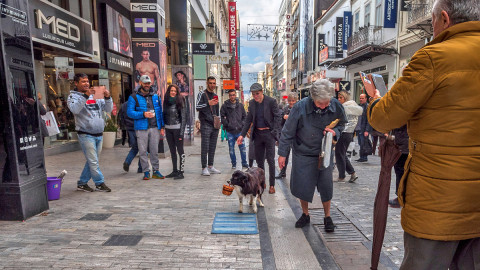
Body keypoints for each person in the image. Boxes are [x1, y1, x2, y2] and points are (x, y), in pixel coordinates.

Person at [366, 1, 480, 268]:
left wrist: (374, 101)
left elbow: (385, 118)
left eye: (432, 22)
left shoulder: (433, 57)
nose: (432, 28)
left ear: (444, 18)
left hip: (437, 199)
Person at [278, 79, 347, 231]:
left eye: (326, 103)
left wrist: (336, 132)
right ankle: (305, 214)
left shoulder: (336, 105)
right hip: (303, 152)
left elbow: (343, 123)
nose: (324, 106)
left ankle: (327, 217)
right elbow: (287, 132)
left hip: (325, 152)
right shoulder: (299, 107)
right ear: (312, 99)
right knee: (304, 186)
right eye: (320, 103)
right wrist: (282, 154)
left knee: (326, 186)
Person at [67, 73, 112, 192]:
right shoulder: (73, 97)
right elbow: (75, 110)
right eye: (83, 81)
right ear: (76, 83)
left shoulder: (95, 95)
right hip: (85, 134)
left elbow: (108, 109)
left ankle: (82, 182)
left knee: (92, 160)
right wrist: (85, 96)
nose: (86, 83)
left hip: (99, 133)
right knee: (93, 161)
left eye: (87, 81)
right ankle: (99, 183)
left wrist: (107, 98)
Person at [237, 83, 281, 194]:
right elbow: (248, 120)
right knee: (260, 161)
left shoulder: (271, 101)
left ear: (262, 92)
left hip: (269, 134)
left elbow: (277, 116)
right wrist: (242, 135)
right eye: (253, 94)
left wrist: (274, 132)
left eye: (257, 94)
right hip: (257, 135)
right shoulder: (252, 104)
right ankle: (263, 182)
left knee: (271, 160)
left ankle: (272, 185)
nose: (255, 96)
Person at [127, 75, 165, 180]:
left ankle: (156, 171)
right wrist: (143, 114)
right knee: (143, 151)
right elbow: (129, 113)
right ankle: (146, 171)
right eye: (145, 83)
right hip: (141, 128)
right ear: (140, 83)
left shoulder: (156, 96)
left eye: (148, 83)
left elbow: (160, 112)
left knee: (154, 150)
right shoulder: (134, 97)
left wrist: (162, 126)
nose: (147, 85)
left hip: (154, 127)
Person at [195, 76, 221, 176]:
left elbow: (216, 109)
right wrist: (207, 103)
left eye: (214, 83)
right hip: (205, 123)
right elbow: (197, 107)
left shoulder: (215, 95)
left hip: (214, 124)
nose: (212, 85)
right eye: (210, 83)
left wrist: (219, 121)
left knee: (212, 146)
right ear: (207, 83)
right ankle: (204, 167)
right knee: (205, 147)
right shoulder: (202, 94)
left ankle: (210, 166)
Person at [335, 91, 363, 182]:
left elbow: (340, 121)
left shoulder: (345, 107)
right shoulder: (353, 106)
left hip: (344, 132)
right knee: (342, 154)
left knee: (340, 154)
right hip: (349, 133)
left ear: (345, 98)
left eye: (341, 98)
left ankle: (342, 175)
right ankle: (352, 173)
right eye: (338, 97)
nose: (339, 99)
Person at [163, 84, 186, 180]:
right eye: (171, 90)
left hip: (177, 129)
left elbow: (184, 117)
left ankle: (181, 172)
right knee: (172, 151)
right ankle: (174, 170)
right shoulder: (166, 101)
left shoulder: (180, 100)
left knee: (180, 151)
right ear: (169, 91)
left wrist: (181, 132)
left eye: (175, 91)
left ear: (177, 92)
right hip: (168, 129)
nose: (173, 92)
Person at [220, 89, 248, 169]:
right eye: (230, 95)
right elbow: (222, 116)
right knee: (231, 149)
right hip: (230, 131)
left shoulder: (240, 105)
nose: (232, 96)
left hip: (239, 131)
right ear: (229, 96)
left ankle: (244, 163)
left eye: (233, 95)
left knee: (242, 148)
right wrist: (227, 124)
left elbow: (244, 117)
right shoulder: (225, 105)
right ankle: (234, 164)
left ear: (235, 95)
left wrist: (242, 125)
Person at [276, 93, 297, 179]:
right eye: (290, 101)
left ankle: (296, 174)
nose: (291, 102)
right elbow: (280, 122)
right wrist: (283, 117)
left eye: (293, 101)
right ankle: (283, 172)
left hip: (296, 136)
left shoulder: (298, 108)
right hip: (288, 135)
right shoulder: (285, 109)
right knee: (285, 154)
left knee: (296, 155)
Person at [119, 101, 142, 173]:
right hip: (140, 128)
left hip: (130, 128)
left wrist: (125, 127)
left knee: (135, 147)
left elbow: (121, 116)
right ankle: (141, 168)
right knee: (143, 148)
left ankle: (127, 162)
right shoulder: (140, 103)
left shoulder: (124, 104)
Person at [389, 125, 409, 208]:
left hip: (403, 146)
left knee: (400, 172)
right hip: (405, 145)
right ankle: (403, 196)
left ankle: (400, 197)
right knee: (403, 172)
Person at [355, 94, 372, 162]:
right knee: (360, 143)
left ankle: (364, 157)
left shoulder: (367, 107)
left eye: (362, 98)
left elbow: (368, 120)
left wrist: (367, 130)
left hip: (364, 129)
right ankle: (362, 156)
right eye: (360, 98)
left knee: (363, 143)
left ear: (366, 99)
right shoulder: (359, 106)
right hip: (359, 128)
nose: (361, 99)